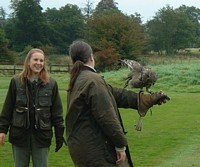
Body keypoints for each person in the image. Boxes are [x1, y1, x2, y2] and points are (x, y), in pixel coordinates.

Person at [65, 40, 170, 167]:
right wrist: (120, 145)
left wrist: (141, 99)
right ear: (91, 57)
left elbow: (112, 93)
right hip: (96, 150)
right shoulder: (93, 80)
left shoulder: (80, 78)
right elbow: (106, 116)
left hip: (82, 147)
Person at [0, 48, 65, 167]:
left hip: (41, 137)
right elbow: (8, 108)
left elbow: (57, 112)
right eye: (35, 59)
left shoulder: (51, 84)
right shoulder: (15, 82)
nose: (38, 63)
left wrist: (59, 135)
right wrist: (2, 130)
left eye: (41, 60)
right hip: (19, 135)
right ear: (28, 61)